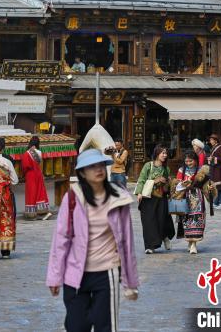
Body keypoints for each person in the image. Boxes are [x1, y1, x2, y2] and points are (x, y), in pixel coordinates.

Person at [47, 148, 139, 332]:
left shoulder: (118, 198)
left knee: (105, 327)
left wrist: (131, 282)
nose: (98, 169)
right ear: (82, 172)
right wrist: (54, 276)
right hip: (75, 273)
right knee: (76, 326)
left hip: (107, 272)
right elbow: (61, 239)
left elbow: (127, 242)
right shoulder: (72, 198)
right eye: (92, 166)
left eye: (101, 165)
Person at [134, 145, 174, 254]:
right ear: (157, 153)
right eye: (163, 153)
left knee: (161, 220)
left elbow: (168, 185)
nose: (165, 155)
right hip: (148, 197)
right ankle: (149, 246)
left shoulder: (166, 168)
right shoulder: (148, 165)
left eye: (166, 153)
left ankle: (164, 236)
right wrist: (139, 193)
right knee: (148, 222)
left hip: (161, 198)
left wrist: (168, 182)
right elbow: (142, 179)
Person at [173, 152, 210, 255]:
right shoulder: (181, 170)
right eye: (186, 161)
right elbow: (176, 184)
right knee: (186, 220)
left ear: (196, 160)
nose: (188, 163)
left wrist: (209, 188)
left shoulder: (201, 171)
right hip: (185, 197)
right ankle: (190, 241)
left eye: (190, 161)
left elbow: (206, 185)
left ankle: (194, 244)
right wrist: (182, 184)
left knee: (197, 219)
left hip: (197, 198)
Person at [22, 136, 51, 220]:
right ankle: (41, 212)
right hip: (38, 174)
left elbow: (25, 167)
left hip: (30, 175)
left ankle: (31, 214)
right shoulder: (39, 152)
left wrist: (24, 174)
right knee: (39, 192)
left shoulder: (26, 153)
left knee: (31, 193)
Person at [208, 134, 221, 209]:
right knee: (216, 187)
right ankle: (216, 203)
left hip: (220, 171)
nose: (210, 141)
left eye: (211, 140)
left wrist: (213, 158)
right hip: (215, 170)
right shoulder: (213, 148)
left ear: (215, 140)